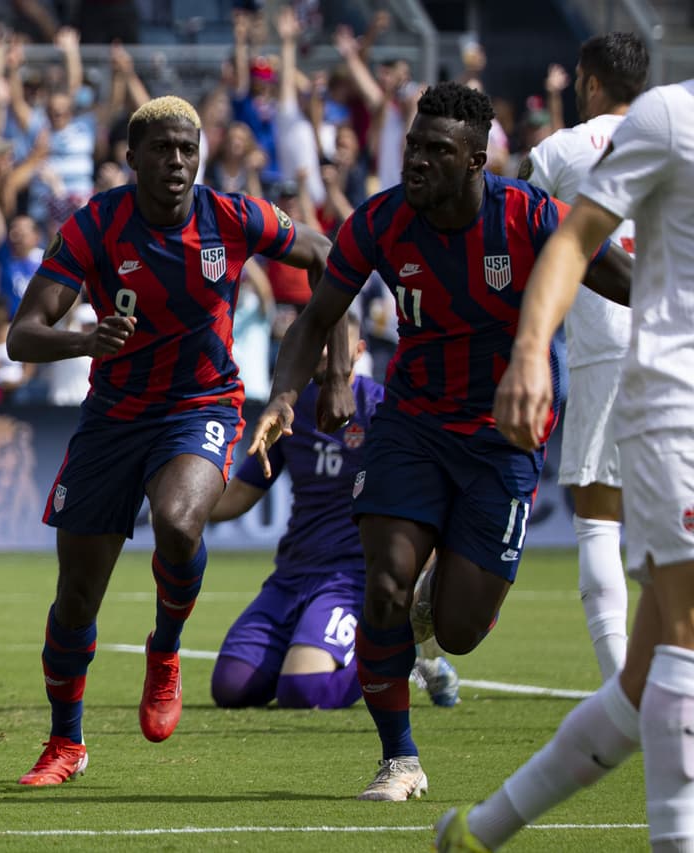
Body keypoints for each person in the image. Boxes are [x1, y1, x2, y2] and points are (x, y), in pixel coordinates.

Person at [246, 81, 632, 802]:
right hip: (413, 424)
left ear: (477, 158)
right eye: (413, 146)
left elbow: (626, 279)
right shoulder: (383, 221)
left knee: (457, 632)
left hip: (504, 437)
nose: (415, 160)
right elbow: (317, 314)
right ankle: (400, 759)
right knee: (382, 583)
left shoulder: (532, 216)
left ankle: (437, 599)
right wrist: (286, 396)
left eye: (435, 150)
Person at [6, 95, 335, 786]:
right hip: (113, 416)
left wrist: (326, 355)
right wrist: (82, 339)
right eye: (163, 148)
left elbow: (327, 256)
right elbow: (21, 333)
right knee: (76, 598)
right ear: (132, 158)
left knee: (179, 522)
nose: (178, 161)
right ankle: (67, 742)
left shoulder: (234, 216)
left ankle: (166, 647)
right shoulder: (95, 225)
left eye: (188, 148)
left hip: (201, 404)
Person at [436, 77, 694, 853]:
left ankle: (481, 832)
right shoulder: (669, 116)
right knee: (683, 641)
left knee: (642, 684)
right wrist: (529, 355)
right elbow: (574, 238)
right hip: (674, 399)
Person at [211, 313, 460, 712]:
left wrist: (421, 567)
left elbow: (423, 493)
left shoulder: (381, 407)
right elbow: (242, 492)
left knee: (302, 692)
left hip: (351, 579)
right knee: (231, 688)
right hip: (291, 575)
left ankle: (403, 652)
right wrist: (188, 514)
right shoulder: (290, 413)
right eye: (319, 343)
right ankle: (305, 645)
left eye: (336, 343)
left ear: (358, 352)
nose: (325, 351)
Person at [520, 33, 648, 683]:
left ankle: (619, 687)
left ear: (590, 84)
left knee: (600, 520)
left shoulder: (560, 151)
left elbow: (512, 223)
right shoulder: (676, 142)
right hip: (677, 345)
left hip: (603, 349)